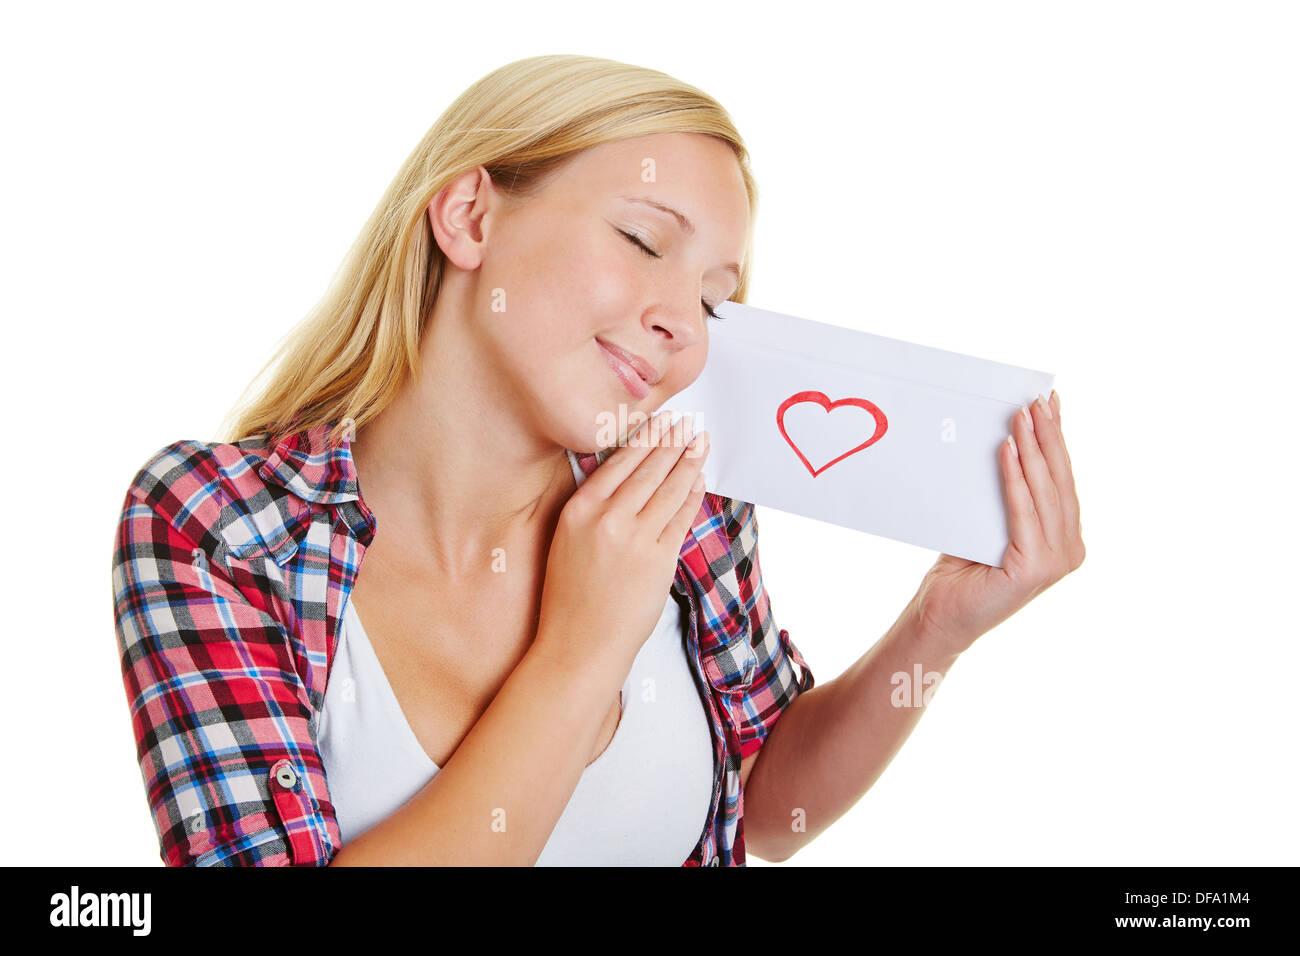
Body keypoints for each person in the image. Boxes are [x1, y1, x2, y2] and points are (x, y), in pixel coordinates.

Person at [110, 54, 1084, 867]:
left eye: (712, 300)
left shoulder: (683, 499)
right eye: (641, 237)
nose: (678, 323)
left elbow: (764, 809)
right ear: (470, 217)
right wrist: (581, 650)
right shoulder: (218, 522)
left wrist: (936, 628)